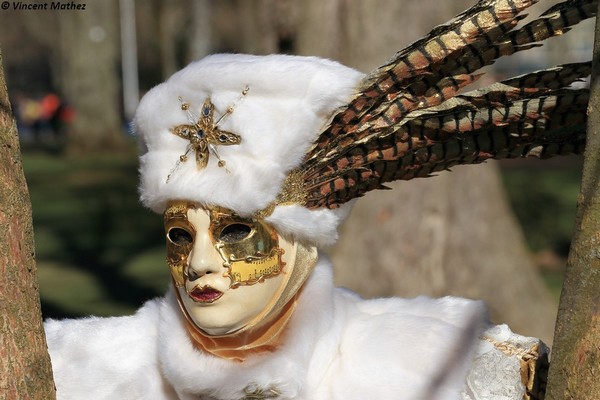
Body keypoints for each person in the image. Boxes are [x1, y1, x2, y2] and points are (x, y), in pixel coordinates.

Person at [45, 0, 593, 398]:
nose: (200, 264)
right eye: (179, 235)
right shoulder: (83, 370)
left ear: (299, 242)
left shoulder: (439, 367)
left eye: (234, 230)